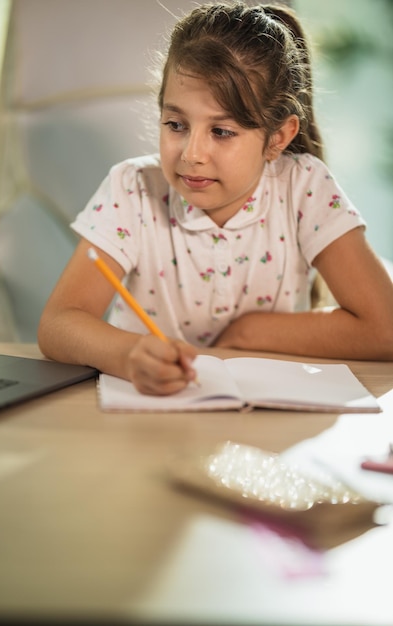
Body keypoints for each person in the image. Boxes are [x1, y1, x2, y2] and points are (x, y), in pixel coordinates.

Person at [38, 1, 393, 396]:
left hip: (267, 425)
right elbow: (58, 324)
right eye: (176, 124)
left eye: (221, 131)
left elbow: (386, 329)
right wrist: (129, 354)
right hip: (148, 419)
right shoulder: (132, 188)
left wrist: (250, 332)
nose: (191, 154)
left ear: (278, 137)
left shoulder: (303, 186)